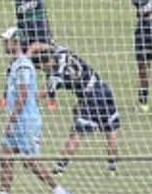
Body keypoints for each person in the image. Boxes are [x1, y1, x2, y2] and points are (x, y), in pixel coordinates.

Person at [0, 29, 71, 194]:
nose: (4, 44)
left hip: (25, 122)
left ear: (15, 42)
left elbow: (23, 96)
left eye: (6, 41)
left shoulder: (22, 66)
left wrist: (11, 121)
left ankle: (60, 192)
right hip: (19, 120)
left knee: (30, 163)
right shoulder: (17, 64)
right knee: (6, 156)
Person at [38, 41, 121, 176]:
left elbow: (43, 93)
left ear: (46, 63)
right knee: (110, 131)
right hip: (104, 89)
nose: (44, 70)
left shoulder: (57, 77)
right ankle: (112, 168)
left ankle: (59, 168)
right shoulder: (62, 52)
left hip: (91, 97)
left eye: (43, 67)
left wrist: (26, 99)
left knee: (76, 134)